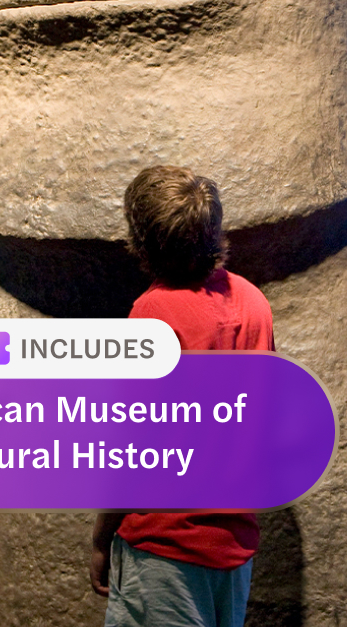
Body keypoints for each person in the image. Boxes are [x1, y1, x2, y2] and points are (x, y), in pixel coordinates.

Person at [89, 166, 273, 627]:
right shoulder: (253, 302)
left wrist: (101, 538)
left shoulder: (153, 314)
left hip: (166, 542)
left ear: (144, 239)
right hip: (231, 543)